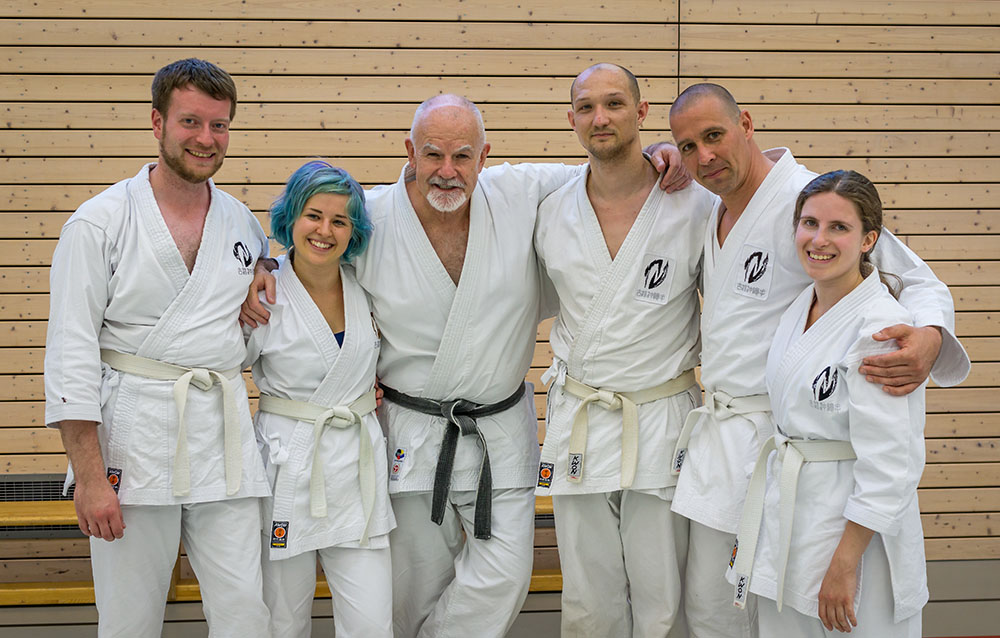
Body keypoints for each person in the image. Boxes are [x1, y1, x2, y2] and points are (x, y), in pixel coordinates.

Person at [240, 94, 691, 637]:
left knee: (503, 576)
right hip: (411, 432)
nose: (447, 171)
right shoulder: (373, 215)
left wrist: (662, 152)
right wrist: (267, 266)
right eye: (432, 155)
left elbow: (605, 166)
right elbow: (311, 243)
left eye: (462, 156)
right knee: (412, 587)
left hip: (498, 430)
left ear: (485, 155)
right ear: (409, 152)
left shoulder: (520, 192)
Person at [661, 83, 969, 637]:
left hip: (790, 431)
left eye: (714, 136)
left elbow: (914, 278)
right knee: (714, 608)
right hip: (727, 434)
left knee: (779, 608)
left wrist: (928, 335)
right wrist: (654, 157)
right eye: (686, 146)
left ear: (746, 124)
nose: (703, 156)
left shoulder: (809, 198)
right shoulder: (709, 204)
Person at [43, 58, 271, 637]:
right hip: (134, 439)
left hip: (222, 436)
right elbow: (70, 354)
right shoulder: (99, 223)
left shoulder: (243, 224)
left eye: (219, 126)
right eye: (191, 122)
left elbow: (245, 336)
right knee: (129, 619)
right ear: (157, 122)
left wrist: (266, 278)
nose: (206, 139)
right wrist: (90, 478)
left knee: (247, 610)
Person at [533, 63, 716, 636]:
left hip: (660, 418)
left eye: (614, 104)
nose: (600, 118)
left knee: (662, 592)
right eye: (586, 107)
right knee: (588, 596)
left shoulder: (696, 205)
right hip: (581, 416)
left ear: (641, 113)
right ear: (571, 120)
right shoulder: (550, 208)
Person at [729, 170, 927, 637]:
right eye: (809, 223)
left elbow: (892, 464)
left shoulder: (881, 330)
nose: (819, 239)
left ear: (868, 240)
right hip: (795, 515)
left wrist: (844, 563)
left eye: (839, 227)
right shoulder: (800, 306)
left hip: (856, 535)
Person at [243, 161, 394, 637]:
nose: (325, 231)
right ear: (291, 217)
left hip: (357, 470)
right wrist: (260, 266)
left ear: (354, 231)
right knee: (283, 619)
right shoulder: (263, 293)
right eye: (313, 215)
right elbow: (223, 363)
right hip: (287, 468)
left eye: (340, 220)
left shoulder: (367, 288)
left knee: (372, 621)